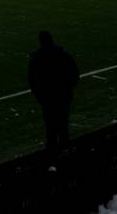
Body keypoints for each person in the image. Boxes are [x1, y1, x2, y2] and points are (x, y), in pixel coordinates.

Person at [27, 30, 81, 168]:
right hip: (63, 95)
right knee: (63, 124)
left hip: (48, 98)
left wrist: (40, 97)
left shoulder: (37, 59)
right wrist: (69, 88)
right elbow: (74, 72)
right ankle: (65, 154)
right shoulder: (62, 55)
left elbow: (33, 80)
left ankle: (52, 157)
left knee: (50, 127)